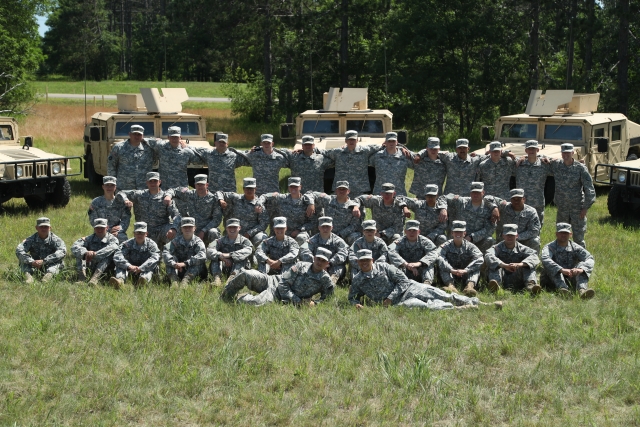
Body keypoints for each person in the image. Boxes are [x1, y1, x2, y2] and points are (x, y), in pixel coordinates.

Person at [349, 249, 501, 310]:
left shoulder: (385, 267)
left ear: (372, 260)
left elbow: (403, 281)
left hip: (411, 289)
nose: (364, 263)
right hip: (399, 303)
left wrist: (389, 297)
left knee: (444, 295)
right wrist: (356, 304)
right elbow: (351, 297)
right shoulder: (357, 280)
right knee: (428, 308)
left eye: (366, 260)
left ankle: (485, 304)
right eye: (361, 261)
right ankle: (460, 310)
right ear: (357, 262)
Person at [220, 247, 334, 307]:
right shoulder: (301, 266)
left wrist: (315, 303)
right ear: (314, 258)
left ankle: (242, 298)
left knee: (254, 303)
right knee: (246, 274)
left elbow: (327, 299)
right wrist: (297, 300)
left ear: (327, 264)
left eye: (323, 261)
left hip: (277, 295)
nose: (320, 262)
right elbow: (283, 284)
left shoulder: (326, 281)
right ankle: (225, 295)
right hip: (273, 281)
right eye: (318, 259)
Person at [550, 143, 596, 248]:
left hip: (577, 209)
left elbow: (590, 189)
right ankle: (562, 258)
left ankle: (581, 261)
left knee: (578, 239)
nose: (566, 155)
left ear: (573, 153)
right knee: (561, 237)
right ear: (561, 153)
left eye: (568, 152)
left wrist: (585, 208)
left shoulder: (580, 168)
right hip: (562, 209)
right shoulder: (556, 165)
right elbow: (540, 157)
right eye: (563, 152)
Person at [118, 172, 180, 246]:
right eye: (150, 181)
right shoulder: (140, 195)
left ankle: (173, 255)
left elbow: (177, 216)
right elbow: (121, 193)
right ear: (147, 182)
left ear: (160, 182)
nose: (153, 183)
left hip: (161, 230)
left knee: (179, 232)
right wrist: (126, 200)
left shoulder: (165, 198)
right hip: (144, 230)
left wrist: (173, 229)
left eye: (155, 181)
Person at [163, 174, 222, 245]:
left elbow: (216, 220)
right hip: (190, 228)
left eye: (202, 184)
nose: (200, 187)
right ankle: (174, 253)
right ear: (194, 185)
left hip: (206, 230)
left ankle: (214, 253)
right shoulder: (190, 194)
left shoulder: (213, 199)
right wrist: (168, 196)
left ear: (207, 185)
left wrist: (203, 231)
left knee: (214, 232)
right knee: (173, 230)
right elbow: (173, 190)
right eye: (198, 184)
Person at [320, 130, 384, 196]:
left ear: (357, 140)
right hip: (341, 189)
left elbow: (382, 147)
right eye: (349, 139)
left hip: (359, 189)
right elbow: (323, 152)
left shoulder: (365, 151)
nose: (351, 141)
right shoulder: (338, 152)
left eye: (353, 139)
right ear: (346, 141)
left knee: (358, 206)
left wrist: (385, 144)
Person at [541, 222, 595, 299]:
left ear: (570, 234)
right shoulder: (549, 247)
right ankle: (563, 290)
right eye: (561, 233)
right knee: (554, 268)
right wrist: (561, 270)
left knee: (582, 266)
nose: (563, 235)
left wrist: (580, 269)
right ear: (556, 234)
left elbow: (590, 258)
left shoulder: (575, 247)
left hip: (570, 276)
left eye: (566, 233)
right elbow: (545, 259)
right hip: (551, 279)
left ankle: (582, 291)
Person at [484, 224, 541, 294]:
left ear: (516, 236)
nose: (510, 237)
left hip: (517, 277)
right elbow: (488, 255)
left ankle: (531, 286)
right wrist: (504, 265)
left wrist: (520, 264)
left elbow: (534, 256)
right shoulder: (497, 248)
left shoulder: (522, 248)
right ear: (503, 236)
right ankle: (495, 287)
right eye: (507, 235)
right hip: (501, 276)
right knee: (494, 265)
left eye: (512, 235)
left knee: (528, 265)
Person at [445, 182, 499, 254]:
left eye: (478, 192)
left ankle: (484, 264)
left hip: (478, 240)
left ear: (483, 192)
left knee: (489, 240)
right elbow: (443, 198)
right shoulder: (461, 202)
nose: (475, 195)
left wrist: (472, 237)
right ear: (470, 193)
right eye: (473, 192)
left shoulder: (489, 208)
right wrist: (443, 209)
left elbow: (489, 229)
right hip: (460, 238)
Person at [262, 177, 318, 245]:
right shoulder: (282, 198)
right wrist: (259, 204)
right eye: (291, 186)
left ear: (300, 187)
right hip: (283, 231)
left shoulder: (306, 202)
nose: (293, 189)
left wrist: (299, 230)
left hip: (300, 233)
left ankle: (301, 255)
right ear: (288, 188)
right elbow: (265, 196)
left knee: (302, 237)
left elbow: (312, 222)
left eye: (296, 186)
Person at [305, 180, 363, 245]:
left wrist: (340, 234)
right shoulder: (328, 200)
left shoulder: (353, 207)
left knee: (355, 236)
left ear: (348, 191)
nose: (341, 191)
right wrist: (311, 204)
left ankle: (353, 253)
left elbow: (354, 225)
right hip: (326, 233)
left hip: (344, 236)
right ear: (335, 191)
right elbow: (310, 193)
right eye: (339, 189)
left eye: (344, 189)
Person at [216, 177, 269, 247]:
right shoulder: (236, 198)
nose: (249, 191)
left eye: (251, 189)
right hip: (234, 231)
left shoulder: (259, 204)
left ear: (255, 189)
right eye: (247, 188)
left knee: (261, 238)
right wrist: (221, 200)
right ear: (243, 189)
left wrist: (249, 233)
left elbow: (263, 224)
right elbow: (219, 193)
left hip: (252, 234)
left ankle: (258, 255)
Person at [437, 220, 484, 297]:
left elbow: (479, 258)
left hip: (465, 274)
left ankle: (469, 287)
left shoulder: (470, 246)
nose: (458, 234)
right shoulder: (446, 246)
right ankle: (451, 286)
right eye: (456, 232)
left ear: (464, 233)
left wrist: (466, 270)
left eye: (460, 232)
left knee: (475, 268)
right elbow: (439, 258)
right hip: (451, 274)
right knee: (442, 266)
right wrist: (451, 270)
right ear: (452, 233)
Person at [299, 216, 349, 285]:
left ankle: (331, 282)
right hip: (316, 266)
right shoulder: (313, 240)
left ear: (332, 227)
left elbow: (343, 253)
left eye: (327, 227)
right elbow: (304, 251)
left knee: (339, 267)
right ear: (319, 228)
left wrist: (329, 263)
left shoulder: (338, 241)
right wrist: (316, 263)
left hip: (332, 266)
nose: (325, 229)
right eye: (323, 227)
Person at [110, 222, 161, 289]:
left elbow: (155, 257)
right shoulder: (127, 244)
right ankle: (120, 281)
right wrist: (129, 266)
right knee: (120, 265)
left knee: (150, 266)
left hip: (145, 268)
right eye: (138, 233)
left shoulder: (151, 244)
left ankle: (143, 281)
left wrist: (141, 268)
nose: (139, 235)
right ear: (134, 234)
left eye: (142, 233)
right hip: (131, 269)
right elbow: (118, 256)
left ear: (146, 234)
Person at [16, 217, 66, 284]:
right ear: (36, 228)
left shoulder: (56, 240)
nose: (44, 229)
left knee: (58, 262)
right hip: (34, 264)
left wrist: (44, 261)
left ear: (50, 228)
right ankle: (28, 277)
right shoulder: (30, 239)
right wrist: (31, 261)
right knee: (23, 261)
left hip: (49, 263)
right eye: (41, 227)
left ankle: (48, 277)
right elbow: (19, 250)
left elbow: (62, 251)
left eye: (46, 227)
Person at [106, 124, 156, 190]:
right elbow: (111, 165)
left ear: (143, 136)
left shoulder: (149, 148)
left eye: (139, 134)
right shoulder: (119, 147)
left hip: (143, 188)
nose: (136, 136)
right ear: (129, 134)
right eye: (134, 134)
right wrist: (112, 183)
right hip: (124, 187)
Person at [71, 218, 120, 285]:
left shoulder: (113, 239)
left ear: (107, 228)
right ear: (94, 228)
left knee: (108, 255)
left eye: (102, 228)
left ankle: (94, 279)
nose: (99, 230)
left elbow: (112, 247)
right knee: (80, 254)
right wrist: (85, 253)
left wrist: (95, 254)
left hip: (106, 268)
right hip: (90, 264)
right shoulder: (89, 238)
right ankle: (82, 278)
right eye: (97, 228)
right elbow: (74, 246)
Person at [515, 140, 553, 224]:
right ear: (526, 151)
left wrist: (545, 157)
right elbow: (500, 156)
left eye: (534, 149)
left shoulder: (544, 165)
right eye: (529, 149)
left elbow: (560, 163)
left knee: (537, 226)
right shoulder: (519, 164)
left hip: (537, 202)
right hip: (522, 203)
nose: (531, 151)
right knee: (521, 226)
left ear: (538, 150)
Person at [207, 218, 253, 286]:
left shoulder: (245, 241)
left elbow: (248, 250)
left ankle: (231, 280)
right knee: (216, 258)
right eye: (230, 227)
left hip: (240, 268)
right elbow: (209, 249)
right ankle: (217, 279)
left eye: (235, 227)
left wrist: (230, 255)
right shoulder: (220, 240)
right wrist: (221, 256)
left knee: (241, 259)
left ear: (239, 228)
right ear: (226, 228)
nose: (232, 229)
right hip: (225, 266)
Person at [163, 217, 207, 289]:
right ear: (181, 229)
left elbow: (202, 255)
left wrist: (185, 263)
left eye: (190, 227)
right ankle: (174, 281)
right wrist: (174, 264)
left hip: (195, 272)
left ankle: (185, 282)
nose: (187, 229)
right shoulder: (176, 240)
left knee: (197, 262)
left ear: (194, 228)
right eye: (185, 227)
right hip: (180, 269)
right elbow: (165, 252)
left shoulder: (198, 241)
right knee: (171, 260)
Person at [152, 126, 200, 190]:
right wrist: (155, 139)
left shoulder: (186, 151)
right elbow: (143, 140)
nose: (174, 139)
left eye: (176, 137)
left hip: (180, 186)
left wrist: (188, 147)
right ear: (168, 137)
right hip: (165, 186)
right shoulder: (161, 147)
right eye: (172, 137)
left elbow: (198, 160)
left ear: (180, 137)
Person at [393, 220, 439, 285]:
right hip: (405, 271)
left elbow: (433, 252)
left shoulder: (425, 241)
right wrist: (407, 265)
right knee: (396, 265)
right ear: (405, 231)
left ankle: (426, 284)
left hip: (420, 271)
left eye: (414, 231)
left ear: (419, 232)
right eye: (409, 230)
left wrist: (419, 263)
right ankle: (401, 284)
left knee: (428, 264)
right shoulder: (399, 242)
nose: (412, 233)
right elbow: (392, 253)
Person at [369, 132, 414, 196]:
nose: (391, 143)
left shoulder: (404, 156)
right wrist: (381, 147)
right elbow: (365, 157)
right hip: (380, 193)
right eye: (389, 141)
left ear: (397, 142)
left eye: (393, 141)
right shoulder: (377, 156)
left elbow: (417, 160)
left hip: (398, 193)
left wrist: (403, 148)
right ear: (385, 142)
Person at [88, 175, 131, 243]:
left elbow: (126, 219)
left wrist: (120, 228)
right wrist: (105, 230)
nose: (109, 187)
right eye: (107, 185)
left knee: (124, 241)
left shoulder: (120, 202)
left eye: (112, 185)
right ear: (103, 187)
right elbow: (93, 220)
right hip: (101, 231)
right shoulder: (96, 202)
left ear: (115, 187)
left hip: (116, 232)